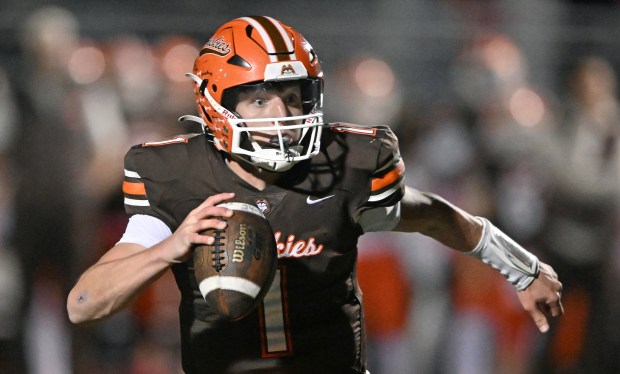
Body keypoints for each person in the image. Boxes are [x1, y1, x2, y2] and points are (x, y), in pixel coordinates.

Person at [67, 16, 563, 374]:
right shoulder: (177, 176)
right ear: (215, 102)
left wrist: (521, 267)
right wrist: (168, 248)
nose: (282, 112)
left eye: (292, 96)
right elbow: (84, 304)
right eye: (260, 98)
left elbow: (431, 214)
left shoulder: (342, 166)